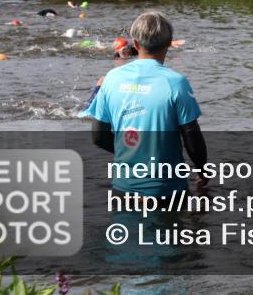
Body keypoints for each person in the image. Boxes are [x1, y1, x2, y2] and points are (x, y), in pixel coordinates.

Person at [80, 12, 207, 197]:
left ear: (136, 44)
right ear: (169, 43)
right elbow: (191, 135)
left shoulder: (111, 78)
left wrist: (134, 152)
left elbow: (99, 136)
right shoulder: (176, 83)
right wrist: (203, 170)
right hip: (167, 192)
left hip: (123, 191)